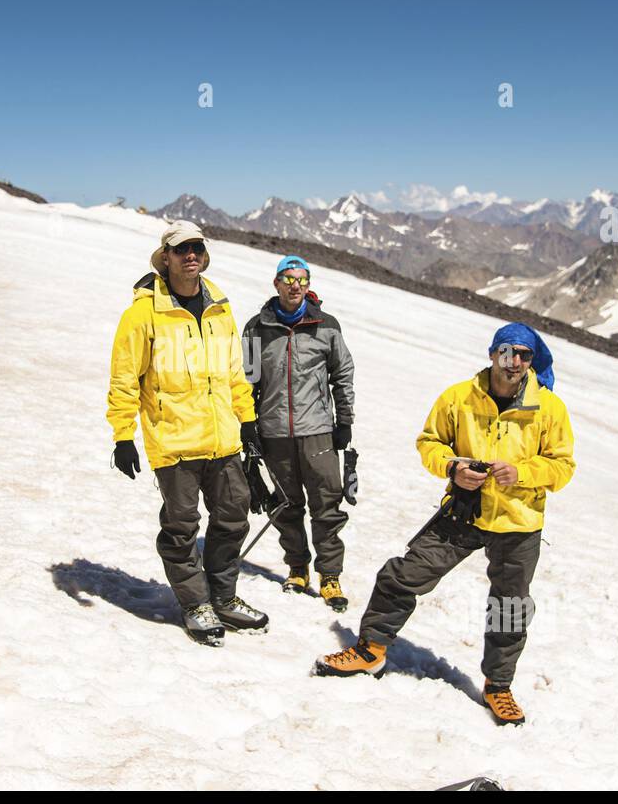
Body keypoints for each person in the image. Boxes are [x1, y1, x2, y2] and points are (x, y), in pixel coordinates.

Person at [315, 323, 574, 726]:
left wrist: (521, 473)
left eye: (524, 355)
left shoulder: (549, 408)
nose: (516, 362)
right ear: (493, 354)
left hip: (519, 522)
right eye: (508, 352)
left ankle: (498, 685)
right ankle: (370, 651)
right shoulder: (459, 398)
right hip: (465, 510)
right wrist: (453, 467)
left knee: (510, 605)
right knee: (403, 575)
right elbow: (430, 442)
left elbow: (562, 466)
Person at [106, 220, 269, 646]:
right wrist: (123, 436)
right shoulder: (143, 314)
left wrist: (247, 421)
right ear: (167, 257)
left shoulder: (220, 309)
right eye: (181, 250)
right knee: (181, 529)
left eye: (196, 247)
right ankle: (196, 602)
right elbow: (125, 378)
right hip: (174, 442)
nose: (190, 255)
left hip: (222, 438)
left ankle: (224, 597)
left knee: (233, 518)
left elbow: (236, 371)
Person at [241, 256, 355, 611]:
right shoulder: (257, 328)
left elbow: (342, 374)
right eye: (289, 279)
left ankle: (330, 575)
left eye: (302, 280)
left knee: (327, 505)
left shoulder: (326, 326)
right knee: (287, 505)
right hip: (273, 431)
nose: (295, 286)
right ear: (276, 284)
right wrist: (247, 424)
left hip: (318, 431)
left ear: (309, 285)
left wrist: (345, 421)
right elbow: (247, 381)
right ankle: (297, 567)